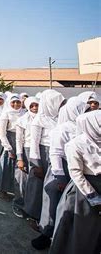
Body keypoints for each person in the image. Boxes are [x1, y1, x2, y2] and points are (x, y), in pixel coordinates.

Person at [31, 97, 87, 250]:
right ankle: (47, 234)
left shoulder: (84, 126)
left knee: (70, 206)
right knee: (54, 202)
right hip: (61, 169)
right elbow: (55, 153)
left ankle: (65, 237)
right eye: (85, 110)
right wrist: (60, 176)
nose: (88, 113)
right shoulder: (62, 129)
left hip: (79, 169)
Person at [49, 110, 101, 254]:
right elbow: (76, 173)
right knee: (83, 228)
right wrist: (94, 197)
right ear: (91, 126)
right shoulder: (76, 144)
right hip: (86, 189)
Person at [26, 90, 65, 220]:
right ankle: (34, 215)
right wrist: (36, 164)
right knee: (38, 186)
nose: (61, 106)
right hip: (43, 154)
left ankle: (48, 217)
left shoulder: (61, 117)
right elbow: (34, 142)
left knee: (51, 188)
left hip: (57, 153)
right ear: (50, 104)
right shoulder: (39, 119)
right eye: (58, 103)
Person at [14, 96, 39, 215]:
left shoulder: (44, 118)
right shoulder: (22, 120)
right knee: (23, 180)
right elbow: (19, 139)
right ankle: (19, 204)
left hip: (39, 151)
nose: (34, 108)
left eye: (37, 105)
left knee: (35, 181)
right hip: (26, 150)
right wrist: (20, 158)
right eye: (32, 105)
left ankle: (32, 207)